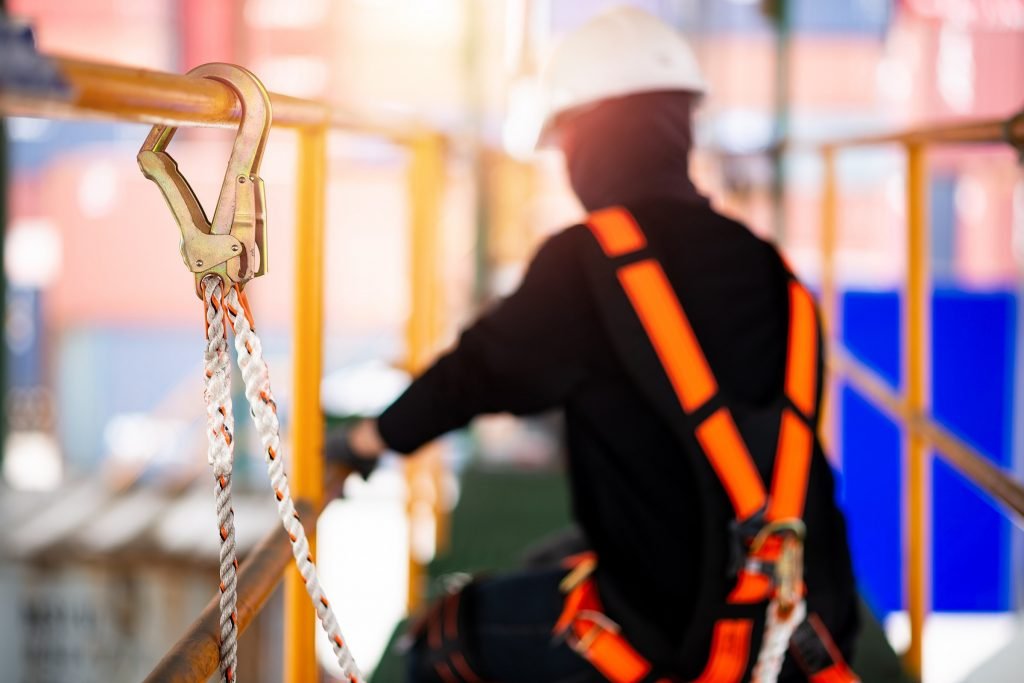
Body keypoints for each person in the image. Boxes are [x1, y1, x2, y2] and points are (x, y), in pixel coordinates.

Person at [326, 7, 860, 683]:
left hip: (682, 630)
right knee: (560, 555)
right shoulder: (767, 263)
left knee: (441, 642)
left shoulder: (590, 261)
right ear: (679, 125)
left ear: (583, 137)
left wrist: (371, 439)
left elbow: (475, 374)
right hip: (811, 619)